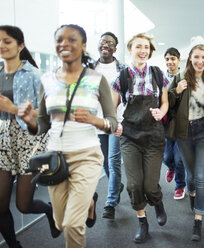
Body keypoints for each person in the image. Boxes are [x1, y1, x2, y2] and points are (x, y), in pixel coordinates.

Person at [18, 24, 119, 248]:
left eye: (72, 40)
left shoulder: (96, 79)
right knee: (61, 221)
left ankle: (85, 204)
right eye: (60, 40)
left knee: (73, 224)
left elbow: (112, 124)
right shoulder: (47, 79)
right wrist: (29, 121)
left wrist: (94, 120)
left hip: (87, 156)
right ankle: (89, 203)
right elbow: (43, 125)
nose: (64, 44)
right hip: (55, 158)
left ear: (83, 46)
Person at [0, 25, 60, 248]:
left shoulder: (36, 75)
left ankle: (49, 211)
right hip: (3, 142)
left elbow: (50, 113)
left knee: (23, 205)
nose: (2, 45)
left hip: (30, 142)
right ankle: (14, 245)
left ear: (20, 45)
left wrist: (14, 108)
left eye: (7, 41)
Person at [111, 33, 168, 243]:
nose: (143, 50)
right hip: (130, 137)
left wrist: (161, 112)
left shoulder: (157, 74)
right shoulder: (122, 76)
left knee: (150, 186)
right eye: (138, 46)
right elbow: (112, 106)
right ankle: (143, 222)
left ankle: (157, 200)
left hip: (153, 136)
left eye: (146, 47)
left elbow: (165, 102)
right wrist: (115, 124)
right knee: (134, 185)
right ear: (130, 49)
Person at [168, 44, 204, 241]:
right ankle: (191, 194)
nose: (200, 61)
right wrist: (177, 92)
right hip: (184, 132)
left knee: (200, 177)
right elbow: (167, 104)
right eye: (196, 57)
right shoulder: (180, 78)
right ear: (190, 58)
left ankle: (198, 220)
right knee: (190, 177)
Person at [93, 31, 124, 219]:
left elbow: (127, 96)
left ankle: (110, 202)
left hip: (115, 121)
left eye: (110, 43)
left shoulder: (123, 69)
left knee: (113, 161)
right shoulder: (89, 67)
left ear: (115, 48)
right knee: (104, 160)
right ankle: (116, 184)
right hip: (95, 121)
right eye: (103, 42)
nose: (106, 45)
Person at [162, 47, 186, 200]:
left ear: (179, 60)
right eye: (167, 59)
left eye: (173, 59)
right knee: (166, 157)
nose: (170, 62)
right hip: (165, 123)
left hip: (181, 123)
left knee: (179, 158)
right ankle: (170, 168)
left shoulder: (184, 77)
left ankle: (180, 185)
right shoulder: (161, 79)